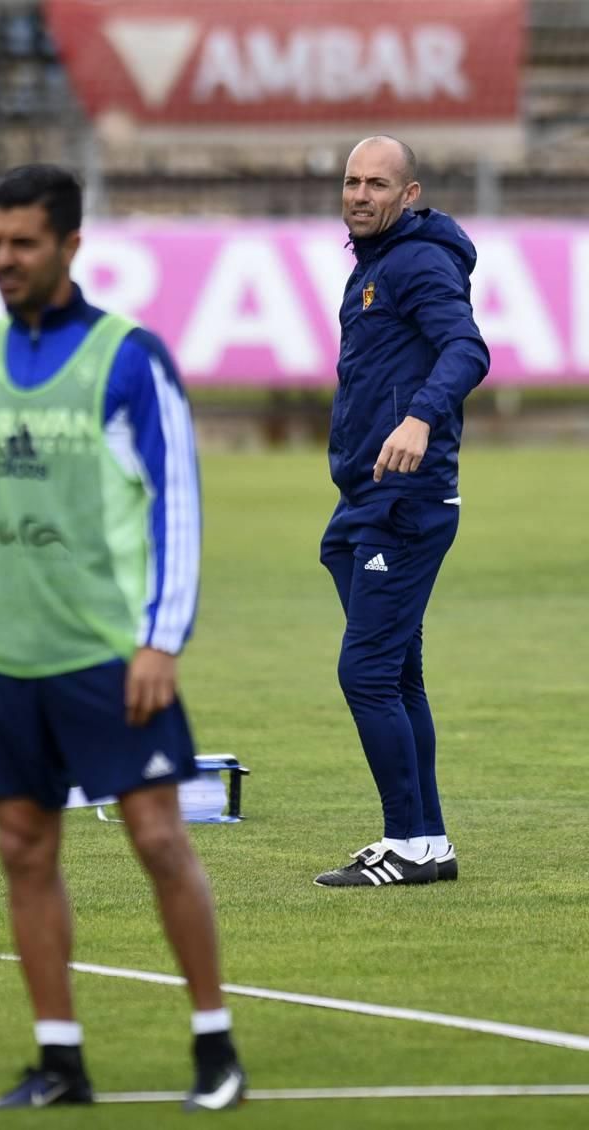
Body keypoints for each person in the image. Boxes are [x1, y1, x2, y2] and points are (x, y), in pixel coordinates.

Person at [0, 164, 246, 1110]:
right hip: (7, 656)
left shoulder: (128, 359)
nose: (4, 260)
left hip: (110, 654)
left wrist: (162, 639)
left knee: (157, 838)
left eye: (23, 242)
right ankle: (60, 1061)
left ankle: (215, 1049)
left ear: (69, 245)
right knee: (24, 849)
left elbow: (175, 505)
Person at [314, 136, 490, 889]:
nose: (359, 194)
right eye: (352, 181)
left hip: (406, 500)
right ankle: (427, 842)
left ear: (409, 194)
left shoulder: (417, 262)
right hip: (365, 498)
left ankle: (409, 842)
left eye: (377, 183)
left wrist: (419, 417)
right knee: (397, 674)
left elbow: (466, 348)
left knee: (367, 674)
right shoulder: (373, 267)